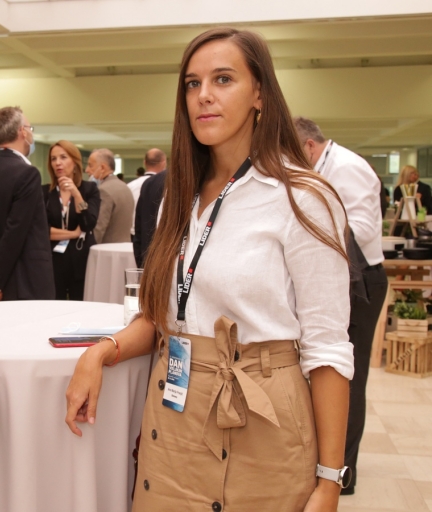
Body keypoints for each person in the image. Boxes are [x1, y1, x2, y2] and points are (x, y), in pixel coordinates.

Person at [66, 28, 354, 511]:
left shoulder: (302, 198)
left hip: (263, 421)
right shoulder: (178, 197)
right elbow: (163, 316)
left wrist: (329, 482)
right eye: (192, 83)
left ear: (260, 93)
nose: (203, 95)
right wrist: (101, 352)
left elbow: (327, 348)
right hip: (173, 419)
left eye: (223, 79)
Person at [294, 116, 388, 497]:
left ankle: (343, 472)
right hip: (344, 276)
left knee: (349, 375)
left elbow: (363, 228)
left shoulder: (348, 167)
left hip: (362, 280)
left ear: (309, 146)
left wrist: (309, 222)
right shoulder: (325, 168)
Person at [0, 106, 54, 301]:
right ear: (22, 131)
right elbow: (15, 232)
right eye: (30, 128)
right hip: (26, 282)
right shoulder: (28, 174)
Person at [44, 140, 100, 300]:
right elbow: (42, 231)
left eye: (63, 157)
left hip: (82, 259)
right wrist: (74, 234)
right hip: (53, 260)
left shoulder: (89, 189)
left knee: (81, 304)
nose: (58, 163)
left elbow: (88, 224)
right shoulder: (44, 192)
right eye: (53, 159)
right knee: (55, 305)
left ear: (75, 162)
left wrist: (76, 194)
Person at [86, 148, 134, 243]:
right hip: (125, 246)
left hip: (107, 247)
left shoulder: (103, 191)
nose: (87, 170)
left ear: (102, 168)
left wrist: (87, 247)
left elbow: (98, 228)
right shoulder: (125, 187)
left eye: (90, 165)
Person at [127, 148, 167, 236]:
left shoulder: (130, 186)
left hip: (133, 234)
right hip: (159, 235)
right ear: (164, 163)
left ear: (144, 162)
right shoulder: (167, 186)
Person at [132, 169, 167, 267]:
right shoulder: (198, 181)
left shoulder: (150, 183)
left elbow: (139, 233)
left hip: (150, 262)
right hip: (174, 267)